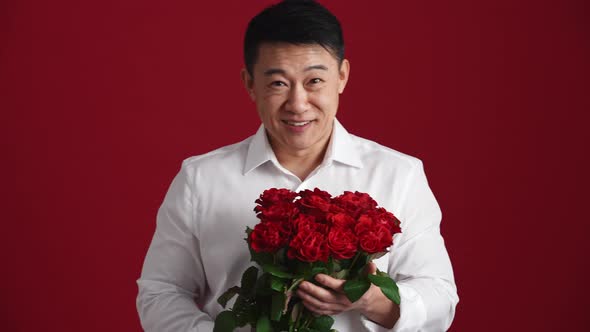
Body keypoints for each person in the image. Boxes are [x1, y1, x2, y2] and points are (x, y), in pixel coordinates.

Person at [136, 1, 458, 331]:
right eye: (278, 83)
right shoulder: (200, 180)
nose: (298, 104)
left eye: (314, 80)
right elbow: (160, 292)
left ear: (342, 77)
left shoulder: (399, 175)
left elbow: (441, 299)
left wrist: (373, 301)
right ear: (250, 84)